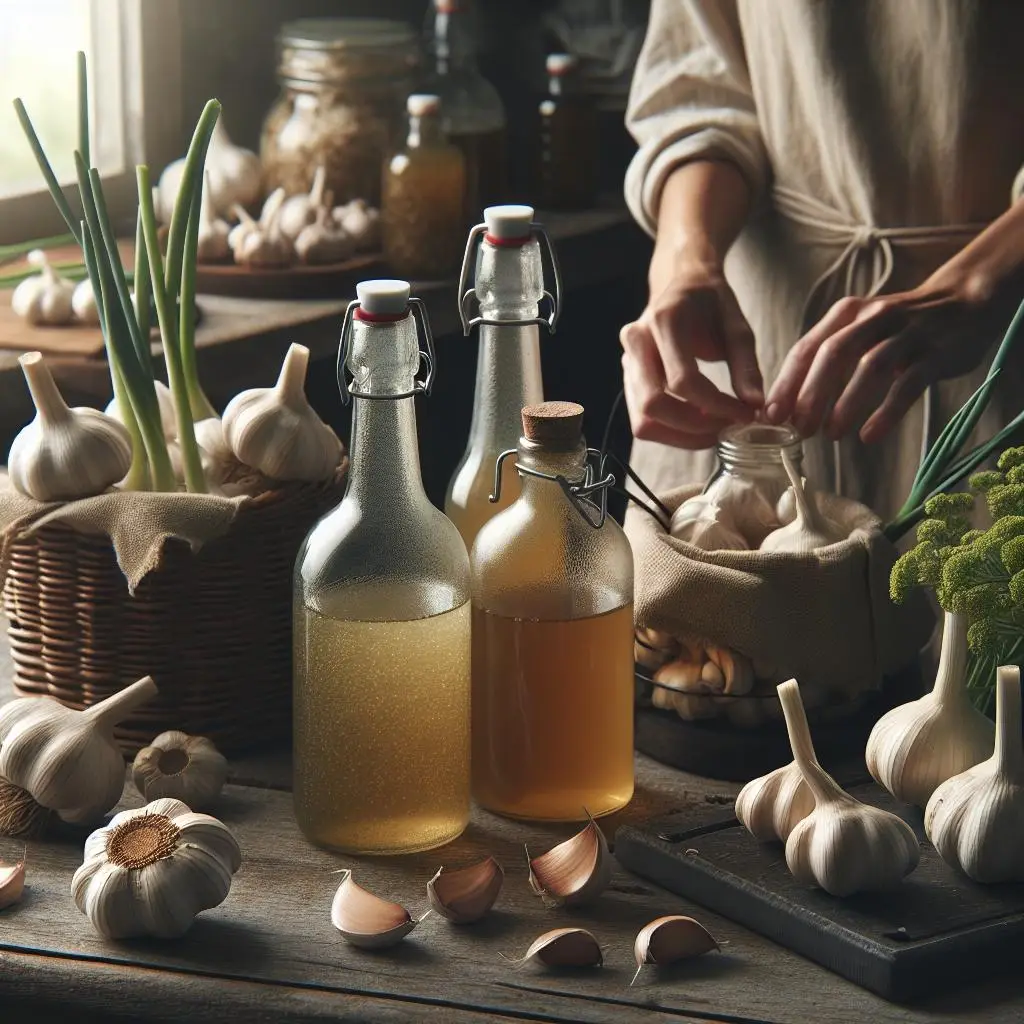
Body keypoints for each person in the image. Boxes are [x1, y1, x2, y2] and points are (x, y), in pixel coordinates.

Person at [621, 0, 1024, 521]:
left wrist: (981, 280)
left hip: (998, 343)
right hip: (754, 331)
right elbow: (700, 88)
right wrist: (683, 263)